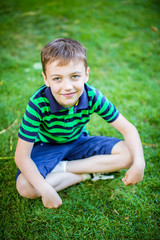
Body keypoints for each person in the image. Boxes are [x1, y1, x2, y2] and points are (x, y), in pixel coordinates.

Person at [15, 38, 145, 209]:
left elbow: (128, 129)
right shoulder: (38, 104)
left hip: (78, 141)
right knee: (25, 187)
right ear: (46, 79)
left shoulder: (92, 96)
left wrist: (139, 163)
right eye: (57, 79)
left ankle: (64, 168)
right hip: (47, 146)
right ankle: (87, 173)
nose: (67, 87)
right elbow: (21, 157)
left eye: (75, 76)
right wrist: (45, 189)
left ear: (86, 74)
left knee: (129, 154)